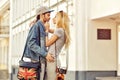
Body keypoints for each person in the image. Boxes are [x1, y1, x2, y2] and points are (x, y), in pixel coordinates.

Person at [23, 6, 54, 80]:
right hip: (36, 62)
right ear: (42, 15)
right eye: (48, 15)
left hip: (41, 61)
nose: (50, 17)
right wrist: (45, 54)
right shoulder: (36, 26)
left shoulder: (42, 26)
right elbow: (31, 43)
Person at [45, 11, 70, 80]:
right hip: (54, 60)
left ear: (59, 19)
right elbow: (51, 30)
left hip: (51, 60)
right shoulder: (62, 30)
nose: (53, 18)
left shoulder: (59, 31)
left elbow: (47, 43)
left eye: (55, 17)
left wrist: (46, 32)